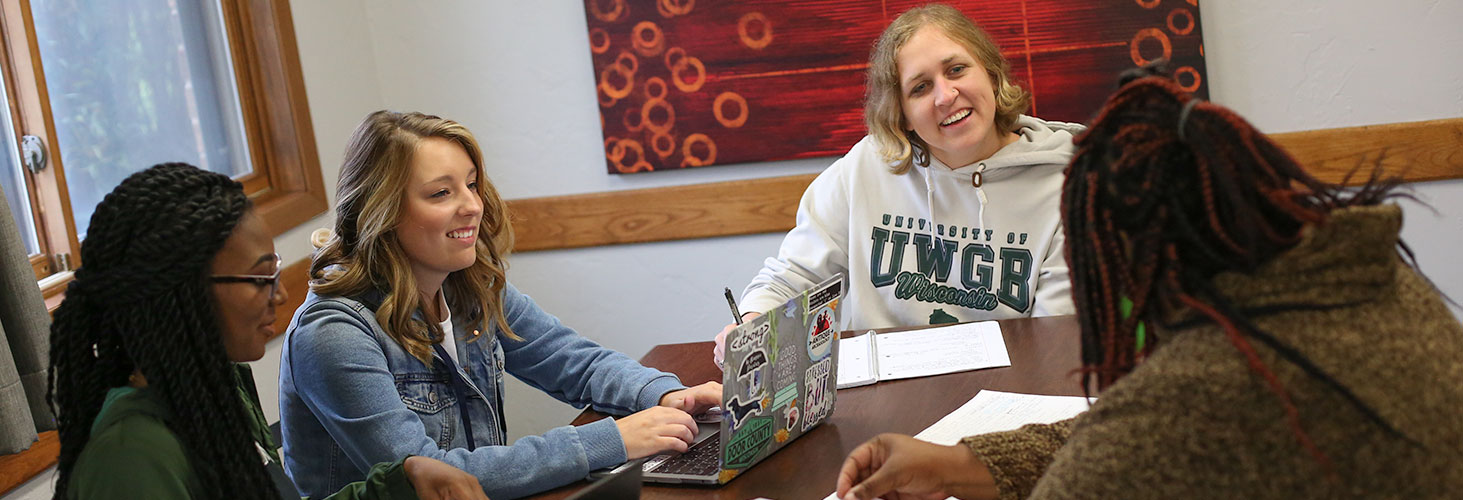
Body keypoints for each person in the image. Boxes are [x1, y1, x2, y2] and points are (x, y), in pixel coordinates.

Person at [834, 75, 1463, 499]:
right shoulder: (1369, 283)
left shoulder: (1207, 385)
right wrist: (964, 464)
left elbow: (1142, 437)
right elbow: (1139, 431)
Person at [279, 111, 723, 500]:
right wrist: (607, 441)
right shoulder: (333, 333)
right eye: (441, 194)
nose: (473, 206)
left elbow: (575, 362)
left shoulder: (468, 285)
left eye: (471, 185)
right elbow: (432, 477)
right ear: (381, 211)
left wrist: (669, 395)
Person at [46, 163, 487, 500]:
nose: (278, 296)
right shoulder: (133, 458)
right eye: (260, 279)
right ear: (184, 296)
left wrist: (400, 483)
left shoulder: (210, 390)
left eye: (275, 271)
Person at [714, 4, 1079, 365]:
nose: (946, 95)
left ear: (990, 73)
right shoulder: (866, 168)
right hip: (885, 397)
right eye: (920, 88)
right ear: (901, 114)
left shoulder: (1068, 182)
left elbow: (1055, 337)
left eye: (956, 70)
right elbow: (795, 276)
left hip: (1012, 392)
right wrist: (751, 324)